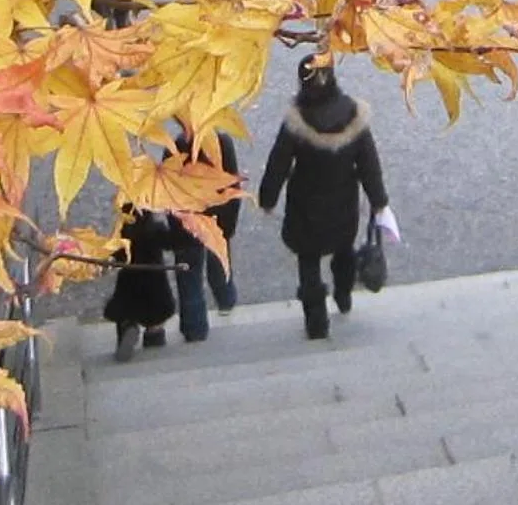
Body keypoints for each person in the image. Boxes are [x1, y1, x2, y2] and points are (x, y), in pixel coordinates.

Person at [258, 55, 394, 341]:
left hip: (305, 206)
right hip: (343, 202)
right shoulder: (354, 117)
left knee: (308, 262)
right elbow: (369, 163)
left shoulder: (296, 122)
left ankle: (316, 321)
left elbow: (278, 163)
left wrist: (268, 199)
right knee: (343, 250)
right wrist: (379, 200)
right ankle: (343, 294)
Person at [164, 122, 241, 343]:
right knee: (219, 260)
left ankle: (194, 327)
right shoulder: (222, 143)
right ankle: (226, 299)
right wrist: (229, 223)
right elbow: (232, 184)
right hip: (217, 218)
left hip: (186, 220)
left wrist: (174, 223)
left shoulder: (174, 146)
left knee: (189, 275)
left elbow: (166, 188)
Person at [103, 205, 176, 362]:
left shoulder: (124, 235)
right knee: (156, 316)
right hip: (155, 281)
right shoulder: (155, 229)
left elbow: (116, 256)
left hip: (129, 280)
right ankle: (154, 336)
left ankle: (127, 328)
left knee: (125, 311)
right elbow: (171, 243)